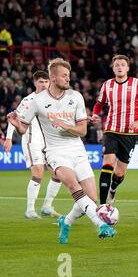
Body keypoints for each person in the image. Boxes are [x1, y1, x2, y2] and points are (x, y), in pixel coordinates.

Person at [7, 58, 115, 244]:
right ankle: (100, 224)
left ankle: (66, 221)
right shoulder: (37, 101)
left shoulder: (76, 97)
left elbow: (82, 130)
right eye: (64, 75)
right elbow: (23, 129)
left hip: (77, 150)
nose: (68, 78)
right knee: (74, 186)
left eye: (69, 75)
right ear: (53, 77)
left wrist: (65, 125)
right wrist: (17, 126)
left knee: (91, 198)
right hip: (55, 152)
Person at [90, 54, 138, 204]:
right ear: (113, 68)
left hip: (130, 133)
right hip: (111, 130)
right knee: (107, 163)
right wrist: (95, 114)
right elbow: (99, 104)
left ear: (128, 68)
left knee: (119, 173)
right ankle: (103, 204)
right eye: (116, 65)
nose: (119, 67)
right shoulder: (107, 85)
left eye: (122, 65)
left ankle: (113, 188)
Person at [3, 71, 62, 219]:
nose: (44, 85)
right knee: (38, 174)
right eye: (41, 82)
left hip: (49, 142)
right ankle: (29, 209)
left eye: (46, 82)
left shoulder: (54, 99)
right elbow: (14, 118)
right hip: (32, 141)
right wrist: (9, 138)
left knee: (58, 174)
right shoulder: (28, 100)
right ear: (35, 83)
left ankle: (47, 206)